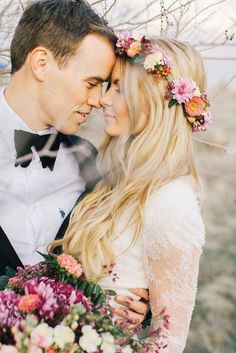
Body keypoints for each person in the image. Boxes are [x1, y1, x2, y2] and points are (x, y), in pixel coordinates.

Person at [51, 33, 212, 352]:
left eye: (120, 89)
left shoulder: (172, 201)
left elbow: (167, 341)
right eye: (110, 85)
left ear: (153, 101)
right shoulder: (113, 176)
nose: (105, 99)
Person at [0, 1, 148, 325]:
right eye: (92, 83)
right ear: (41, 63)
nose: (99, 101)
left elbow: (113, 259)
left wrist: (134, 307)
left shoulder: (88, 163)